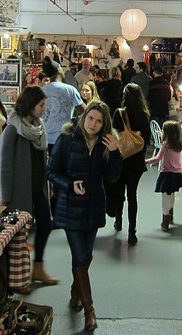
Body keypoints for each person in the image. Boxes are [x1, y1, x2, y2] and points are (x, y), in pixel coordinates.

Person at [47, 101, 122, 332]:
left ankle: (75, 289)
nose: (93, 124)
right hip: (70, 207)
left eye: (99, 121)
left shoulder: (106, 143)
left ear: (104, 124)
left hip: (94, 206)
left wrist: (115, 153)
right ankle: (90, 310)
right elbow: (51, 171)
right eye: (90, 118)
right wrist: (70, 184)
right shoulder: (68, 138)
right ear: (84, 116)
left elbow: (112, 178)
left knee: (86, 256)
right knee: (79, 254)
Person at [0, 86, 58, 291]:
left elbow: (42, 160)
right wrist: (5, 196)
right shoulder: (13, 129)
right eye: (41, 105)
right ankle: (16, 277)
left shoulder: (37, 127)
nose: (44, 109)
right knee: (19, 235)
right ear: (31, 105)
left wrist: (47, 185)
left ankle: (37, 268)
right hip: (19, 191)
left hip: (38, 187)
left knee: (45, 225)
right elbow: (4, 164)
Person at [108, 83, 151, 245]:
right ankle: (132, 232)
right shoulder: (145, 115)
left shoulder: (119, 114)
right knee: (132, 195)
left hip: (121, 160)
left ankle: (118, 220)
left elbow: (113, 135)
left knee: (120, 193)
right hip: (137, 162)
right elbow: (146, 140)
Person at [145, 120, 182, 232]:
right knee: (171, 195)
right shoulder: (178, 144)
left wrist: (146, 161)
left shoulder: (165, 145)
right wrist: (162, 135)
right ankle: (171, 215)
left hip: (166, 174)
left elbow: (157, 158)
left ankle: (165, 220)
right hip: (177, 174)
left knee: (165, 197)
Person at [41, 56, 86, 151]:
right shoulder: (70, 90)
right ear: (59, 70)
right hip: (64, 138)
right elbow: (85, 111)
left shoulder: (41, 91)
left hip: (44, 138)